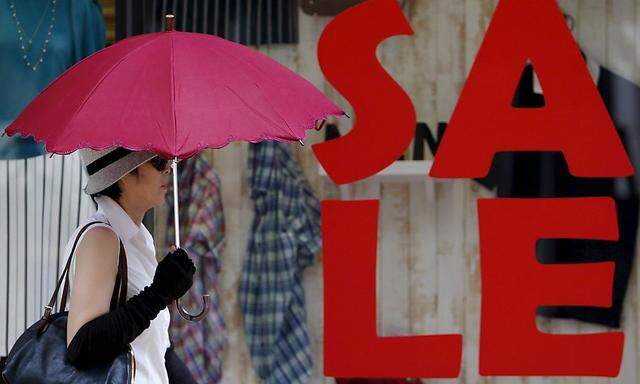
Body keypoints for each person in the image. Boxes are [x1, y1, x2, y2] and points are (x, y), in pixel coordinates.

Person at [62, 147, 197, 383]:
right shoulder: (101, 237)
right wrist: (158, 294)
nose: (168, 168)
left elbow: (155, 349)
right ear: (123, 172)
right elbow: (82, 347)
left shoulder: (138, 237)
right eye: (157, 161)